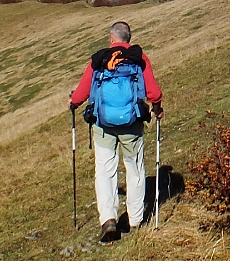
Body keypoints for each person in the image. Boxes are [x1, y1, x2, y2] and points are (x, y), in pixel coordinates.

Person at [70, 20, 164, 243]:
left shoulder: (99, 59)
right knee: (135, 169)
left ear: (111, 38)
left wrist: (72, 102)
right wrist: (157, 108)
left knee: (105, 171)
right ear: (128, 39)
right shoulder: (138, 58)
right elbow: (154, 92)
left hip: (103, 125)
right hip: (132, 124)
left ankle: (109, 219)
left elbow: (82, 91)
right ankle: (135, 219)